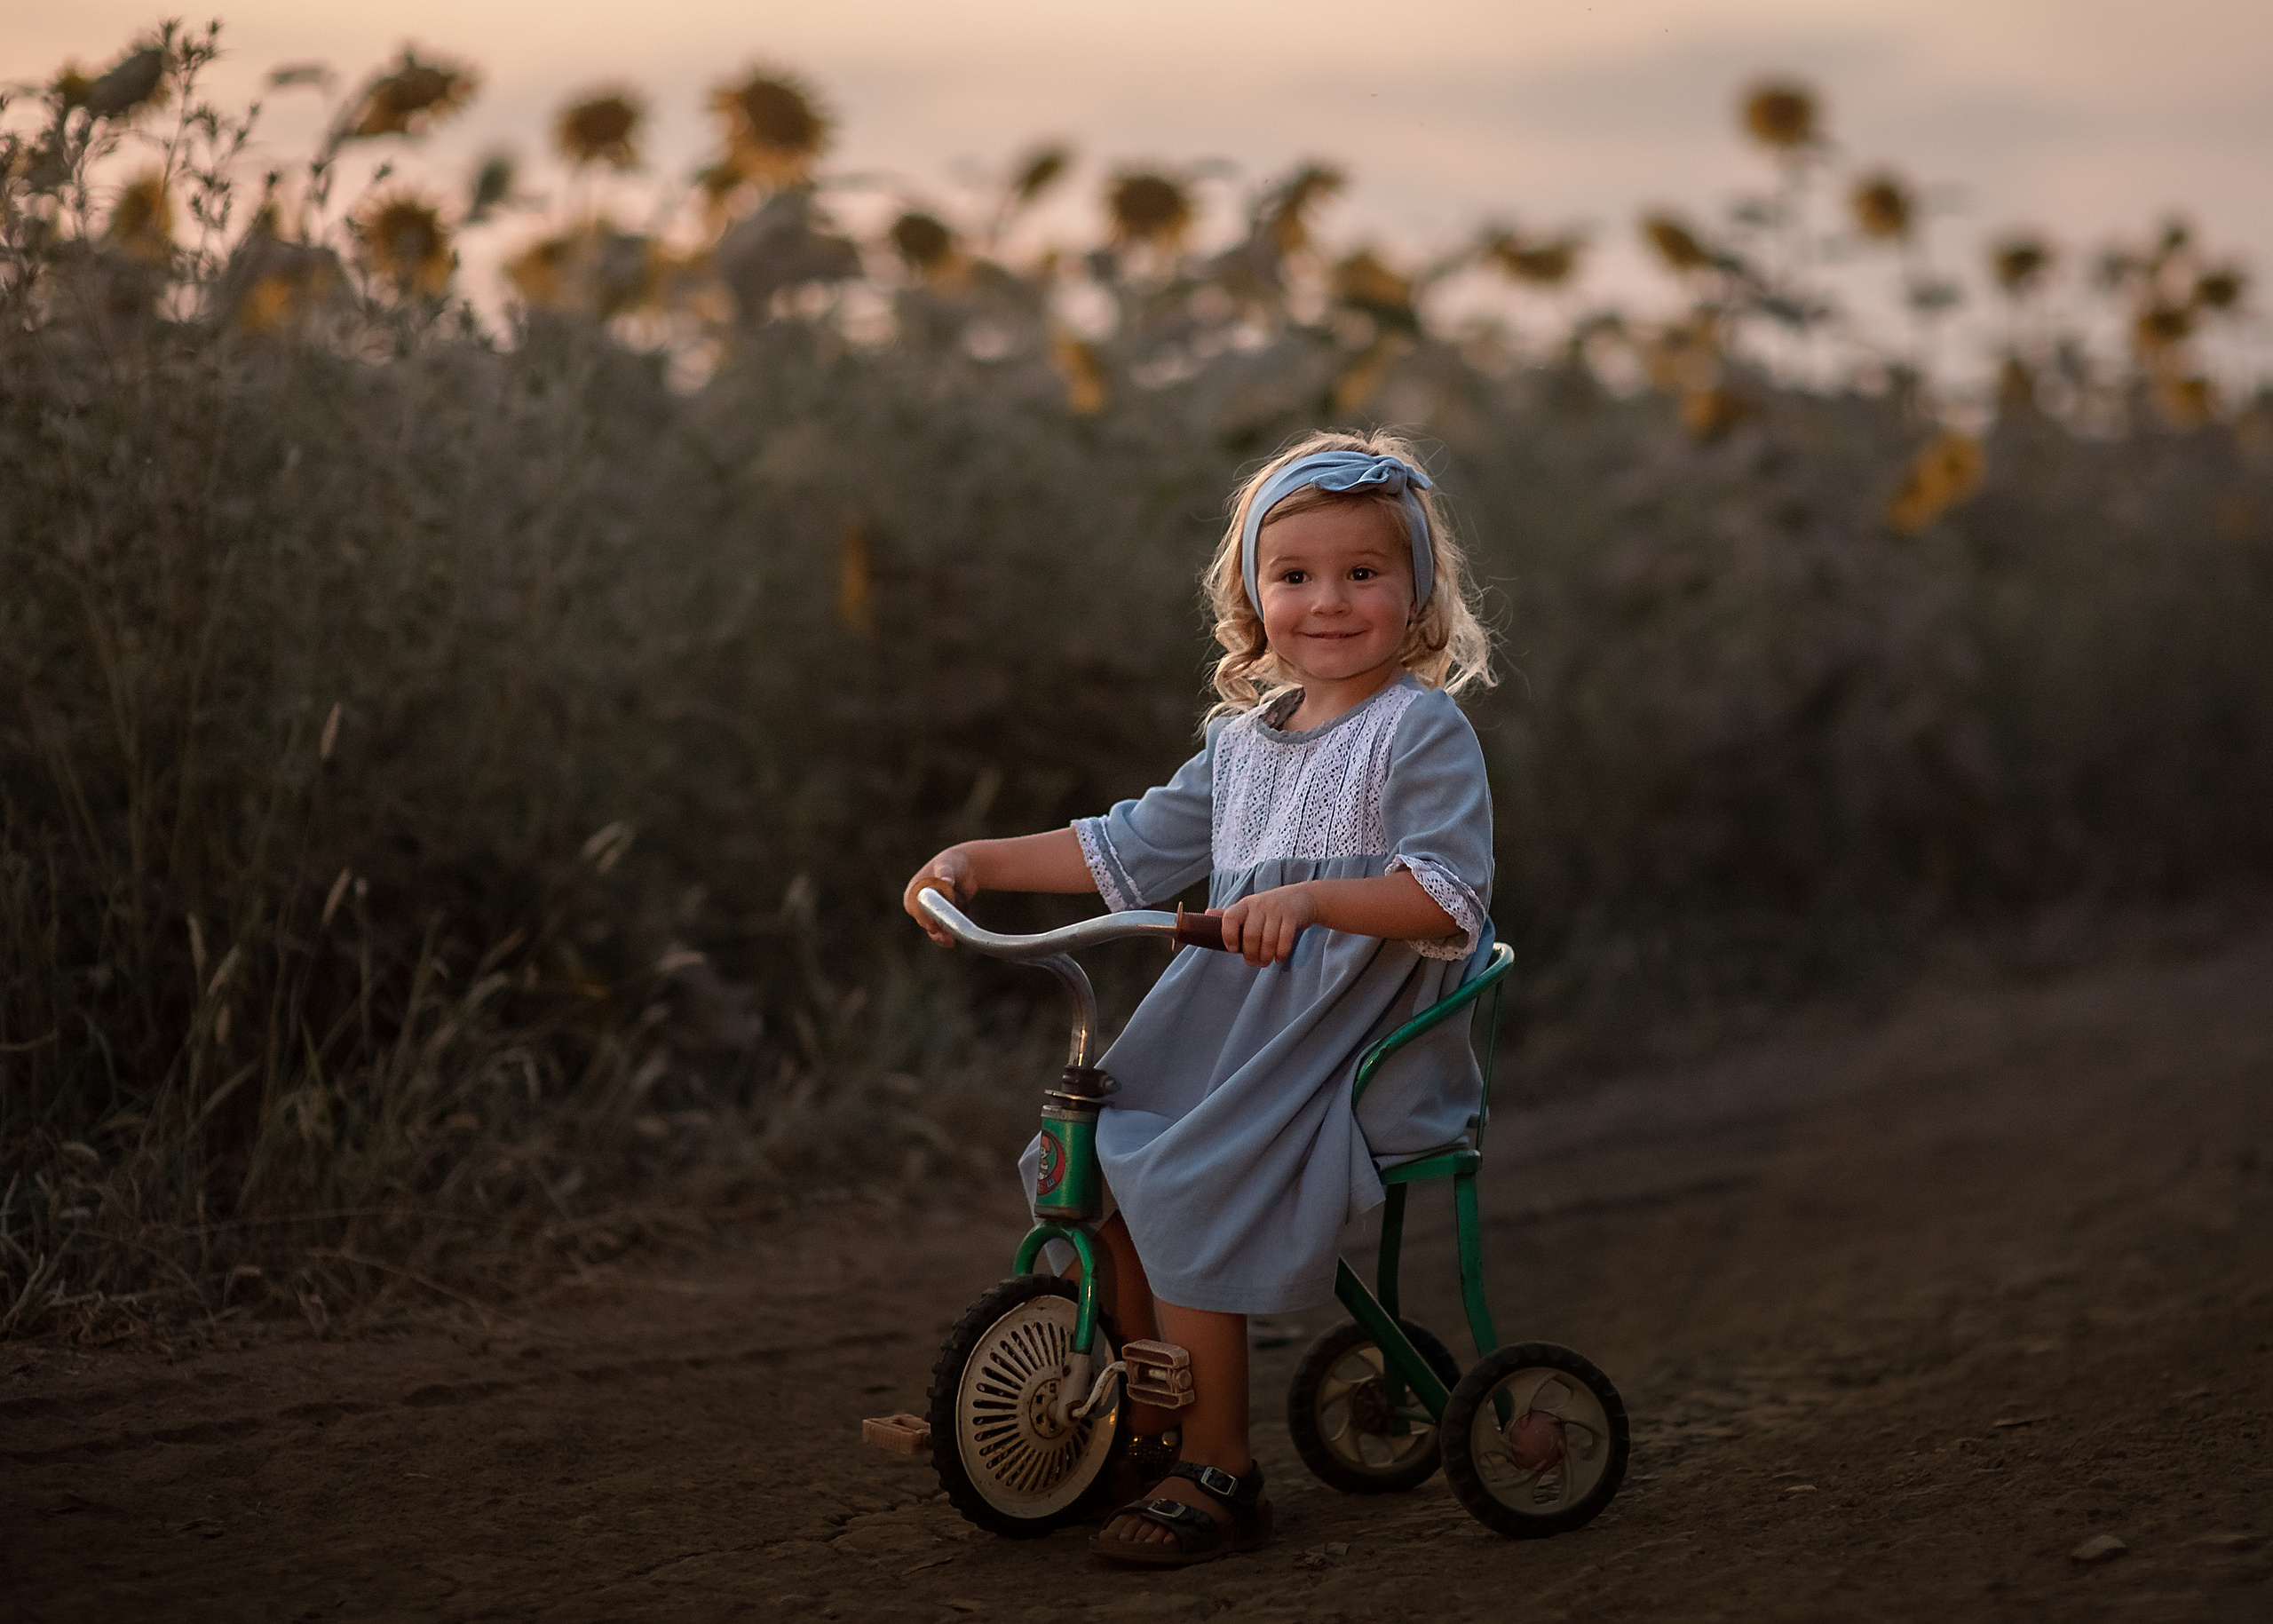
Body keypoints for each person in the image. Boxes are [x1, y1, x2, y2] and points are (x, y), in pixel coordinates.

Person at [901, 427, 1496, 1567]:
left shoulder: (1419, 730)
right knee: (1083, 1153)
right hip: (1228, 1025)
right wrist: (975, 858)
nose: (1327, 601)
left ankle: (1220, 1461)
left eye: (1362, 573)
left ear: (1417, 593)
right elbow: (1119, 847)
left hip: (1344, 1039)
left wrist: (1318, 899)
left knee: (1178, 1168)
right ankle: (1147, 1408)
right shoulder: (1245, 745)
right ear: (1251, 592)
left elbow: (1444, 898)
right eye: (1294, 575)